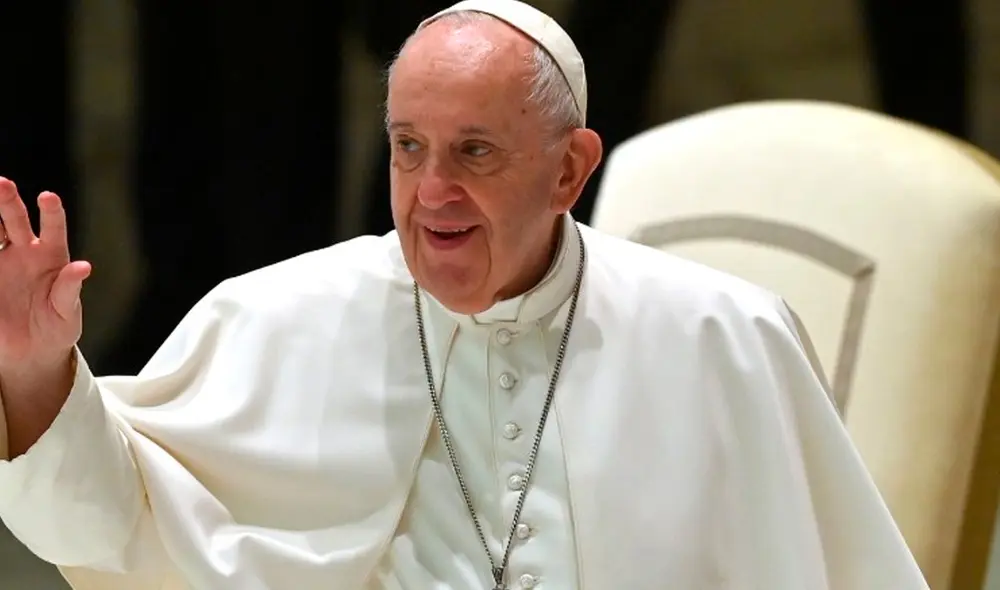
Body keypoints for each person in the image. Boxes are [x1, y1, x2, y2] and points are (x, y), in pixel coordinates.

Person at [0, 1, 930, 588]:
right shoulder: (279, 316)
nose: (432, 191)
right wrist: (38, 373)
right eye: (409, 148)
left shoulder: (721, 335)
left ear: (570, 171)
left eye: (474, 152)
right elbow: (106, 522)